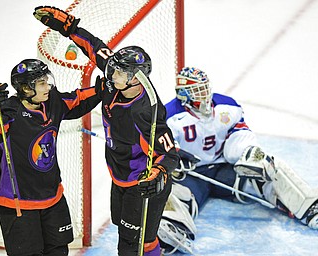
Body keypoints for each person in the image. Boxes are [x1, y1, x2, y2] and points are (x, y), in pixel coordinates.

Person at [33, 6, 180, 256]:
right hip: (119, 176)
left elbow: (171, 153)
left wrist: (158, 171)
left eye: (120, 72)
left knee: (133, 245)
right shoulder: (116, 83)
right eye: (113, 69)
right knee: (127, 232)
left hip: (141, 183)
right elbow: (94, 47)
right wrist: (69, 28)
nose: (112, 74)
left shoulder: (145, 111)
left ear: (137, 78)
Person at [156, 66, 318, 254]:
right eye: (198, 91)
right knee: (169, 191)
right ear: (183, 94)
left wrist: (247, 152)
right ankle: (173, 227)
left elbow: (239, 132)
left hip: (224, 169)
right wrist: (173, 157)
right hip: (191, 175)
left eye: (205, 88)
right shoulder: (169, 116)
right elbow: (160, 147)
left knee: (270, 166)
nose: (205, 95)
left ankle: (310, 207)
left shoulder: (227, 106)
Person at [0, 59, 101, 256]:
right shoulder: (8, 112)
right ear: (26, 89)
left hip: (53, 198)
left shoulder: (52, 101)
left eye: (47, 80)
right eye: (42, 83)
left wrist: (104, 88)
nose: (48, 86)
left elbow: (77, 99)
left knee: (59, 251)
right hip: (18, 204)